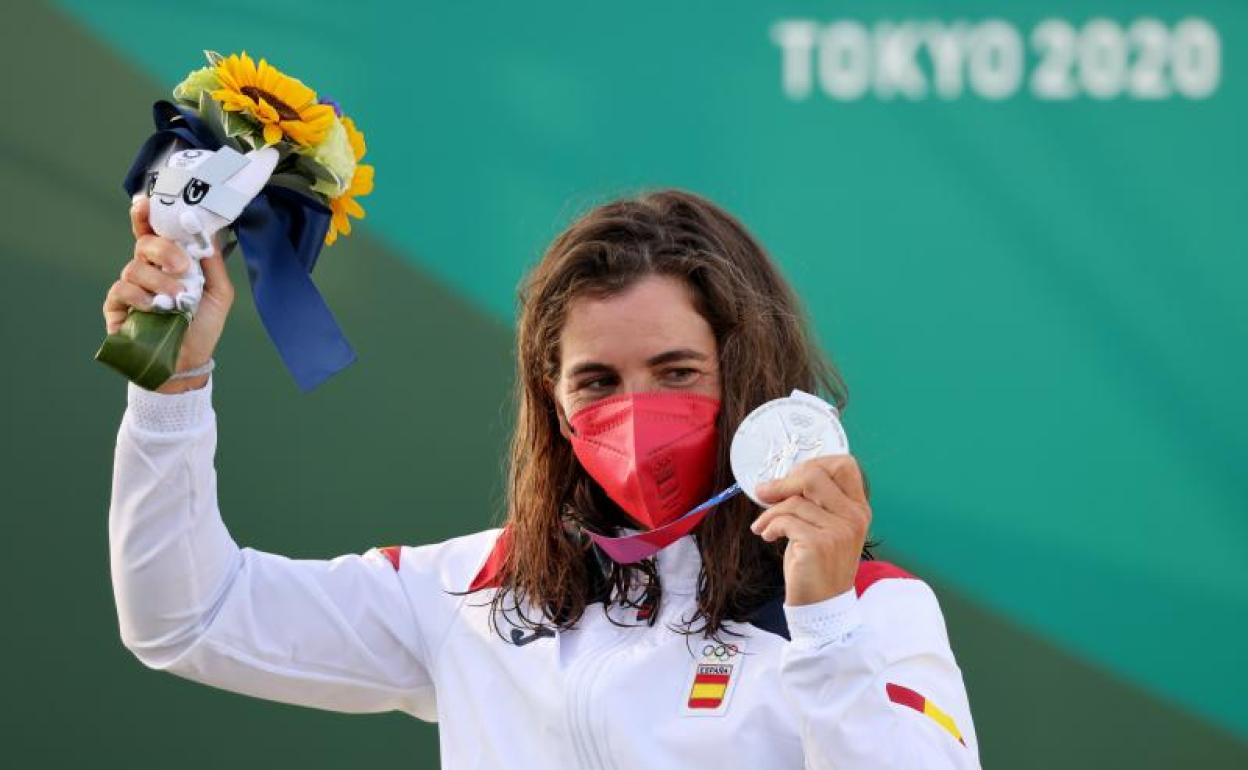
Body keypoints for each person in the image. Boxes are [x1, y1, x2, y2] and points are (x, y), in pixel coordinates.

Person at [105, 188, 980, 769]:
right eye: (598, 382)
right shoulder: (478, 591)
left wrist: (824, 627)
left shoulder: (872, 611)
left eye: (677, 372)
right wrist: (170, 388)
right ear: (554, 409)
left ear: (748, 378)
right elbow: (189, 619)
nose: (637, 414)